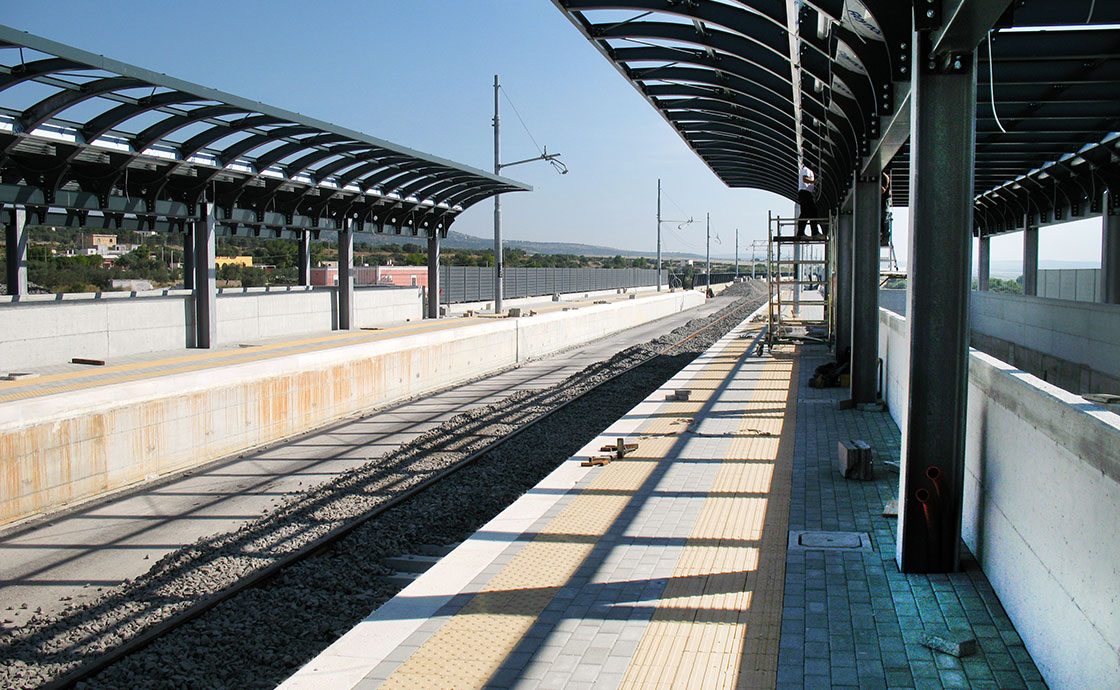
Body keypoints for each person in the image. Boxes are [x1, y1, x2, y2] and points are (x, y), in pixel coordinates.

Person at [796, 164, 822, 237]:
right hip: (805, 193)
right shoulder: (806, 169)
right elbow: (805, 179)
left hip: (803, 193)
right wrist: (814, 181)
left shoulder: (805, 170)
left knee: (804, 214)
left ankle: (800, 232)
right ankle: (815, 232)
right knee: (813, 212)